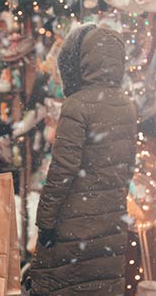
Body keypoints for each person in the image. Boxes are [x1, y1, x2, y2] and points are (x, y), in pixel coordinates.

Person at [29, 24, 137, 296]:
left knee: (60, 286)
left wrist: (45, 222)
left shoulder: (77, 105)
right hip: (111, 226)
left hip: (72, 227)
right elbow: (127, 168)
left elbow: (62, 170)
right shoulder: (126, 104)